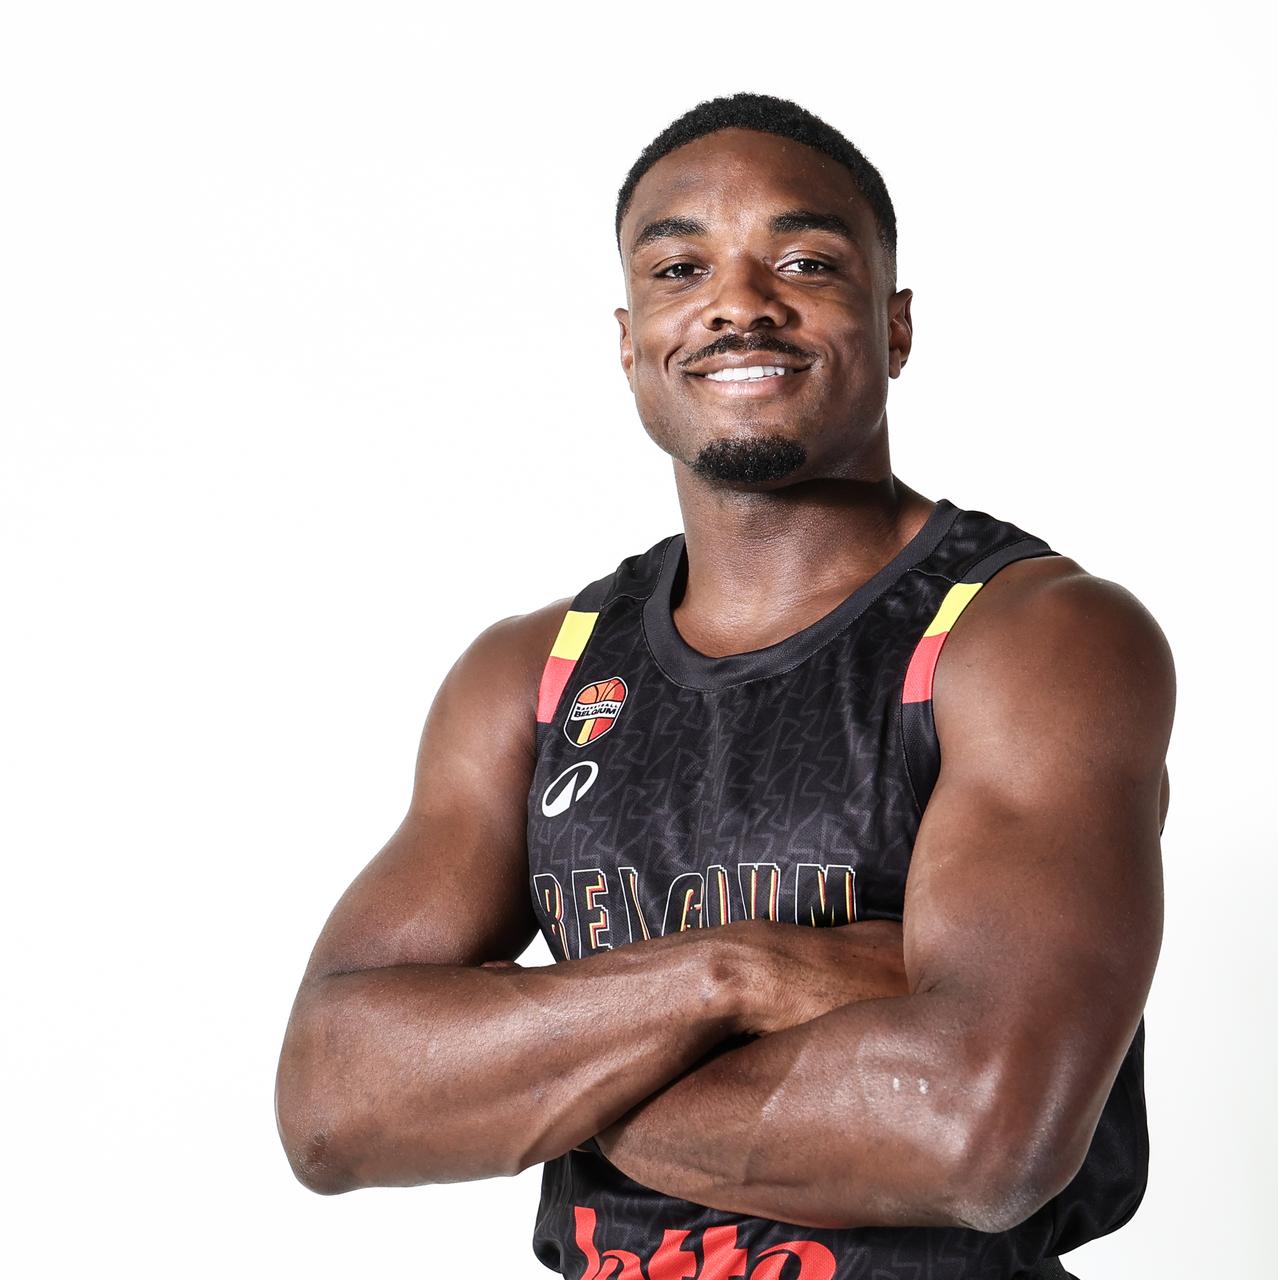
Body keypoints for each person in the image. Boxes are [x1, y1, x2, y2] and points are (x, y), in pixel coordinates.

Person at [274, 91, 1174, 1280]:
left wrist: (524, 1076)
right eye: (680, 268)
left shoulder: (1029, 638)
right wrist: (736, 974)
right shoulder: (535, 672)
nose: (739, 303)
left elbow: (978, 1132)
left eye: (804, 262)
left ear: (895, 324)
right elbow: (334, 1100)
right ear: (631, 338)